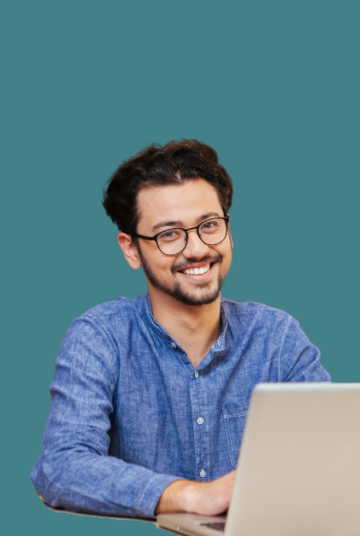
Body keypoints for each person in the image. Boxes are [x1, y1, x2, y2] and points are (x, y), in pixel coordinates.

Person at [30, 139, 330, 519]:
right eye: (169, 234)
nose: (197, 249)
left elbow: (330, 454)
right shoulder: (99, 338)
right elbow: (61, 467)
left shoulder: (277, 337)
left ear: (229, 231)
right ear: (131, 249)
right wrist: (191, 496)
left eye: (209, 225)